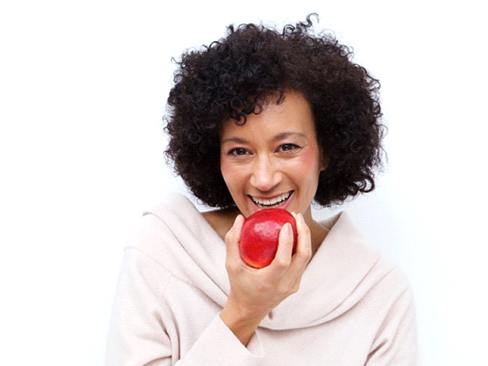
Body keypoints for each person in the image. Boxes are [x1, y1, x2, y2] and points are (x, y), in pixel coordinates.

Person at [105, 13, 418, 365]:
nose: (264, 179)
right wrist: (243, 312)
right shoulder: (163, 250)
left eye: (287, 147)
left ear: (326, 150)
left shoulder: (378, 292)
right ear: (214, 156)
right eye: (240, 151)